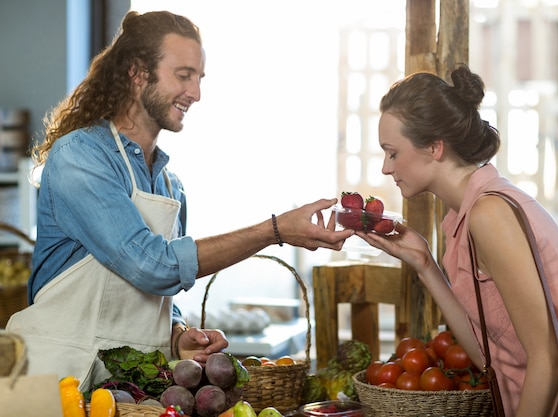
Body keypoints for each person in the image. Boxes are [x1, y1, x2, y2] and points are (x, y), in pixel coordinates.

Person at [6, 10, 353, 390]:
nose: (196, 93)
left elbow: (159, 298)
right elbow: (149, 265)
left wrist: (177, 335)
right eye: (183, 75)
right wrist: (273, 231)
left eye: (199, 79)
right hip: (56, 382)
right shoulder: (80, 156)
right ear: (138, 73)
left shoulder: (172, 187)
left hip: (132, 390)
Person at [358, 65, 558, 416]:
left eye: (392, 152)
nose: (385, 168)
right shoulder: (462, 217)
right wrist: (424, 264)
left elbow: (549, 361)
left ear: (435, 148)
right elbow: (488, 356)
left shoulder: (489, 214)